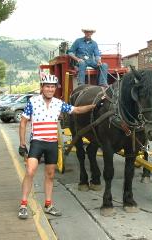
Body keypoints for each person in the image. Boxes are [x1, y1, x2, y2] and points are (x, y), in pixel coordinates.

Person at [18, 74, 96, 219]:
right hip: (37, 142)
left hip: (52, 143)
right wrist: (22, 143)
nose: (50, 89)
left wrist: (94, 105)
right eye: (47, 86)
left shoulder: (58, 103)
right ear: (42, 87)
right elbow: (23, 122)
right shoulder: (33, 102)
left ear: (55, 89)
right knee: (30, 171)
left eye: (52, 87)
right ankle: (23, 205)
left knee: (50, 175)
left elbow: (77, 110)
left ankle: (48, 204)